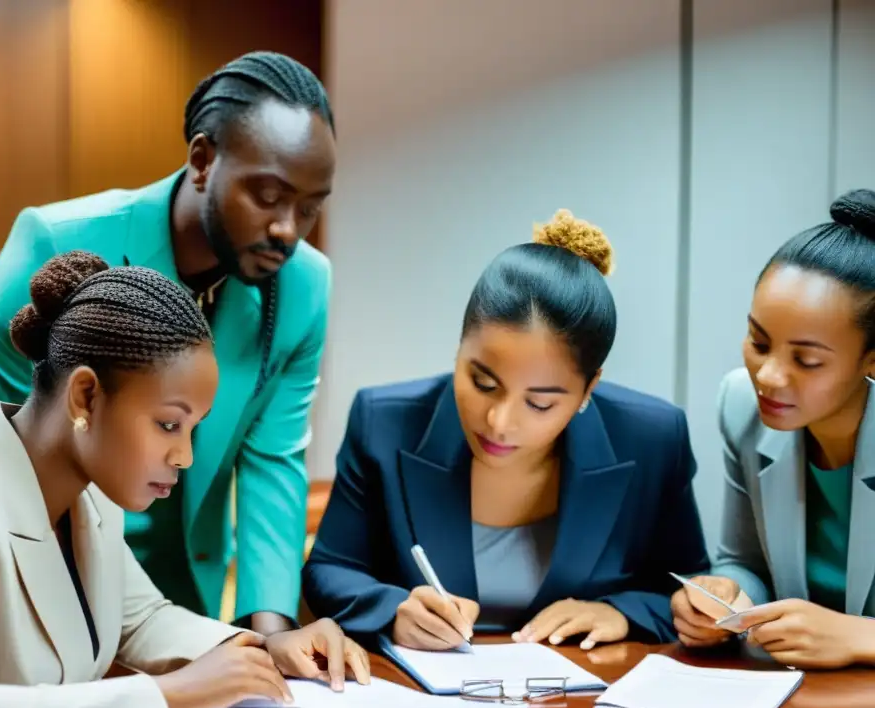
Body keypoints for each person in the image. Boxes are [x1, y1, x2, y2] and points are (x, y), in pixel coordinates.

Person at [0, 253, 368, 708]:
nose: (185, 456)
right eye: (169, 424)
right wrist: (172, 694)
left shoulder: (90, 495)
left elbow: (141, 621)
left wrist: (266, 648)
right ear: (85, 396)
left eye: (193, 429)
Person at [0, 52, 335, 634]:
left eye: (309, 208)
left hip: (185, 604)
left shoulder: (303, 286)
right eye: (267, 195)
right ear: (203, 161)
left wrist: (272, 639)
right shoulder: (53, 245)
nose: (287, 229)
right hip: (42, 593)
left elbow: (272, 463)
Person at [302, 210, 710, 651]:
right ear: (459, 347)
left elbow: (692, 590)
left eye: (539, 403)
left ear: (589, 388)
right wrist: (392, 609)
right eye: (482, 383)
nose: (498, 421)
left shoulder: (652, 438)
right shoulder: (385, 422)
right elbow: (330, 568)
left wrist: (620, 613)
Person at [672, 189, 875, 670]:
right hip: (797, 703)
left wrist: (862, 637)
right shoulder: (741, 405)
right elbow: (745, 559)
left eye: (806, 360)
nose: (767, 376)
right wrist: (726, 597)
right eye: (758, 342)